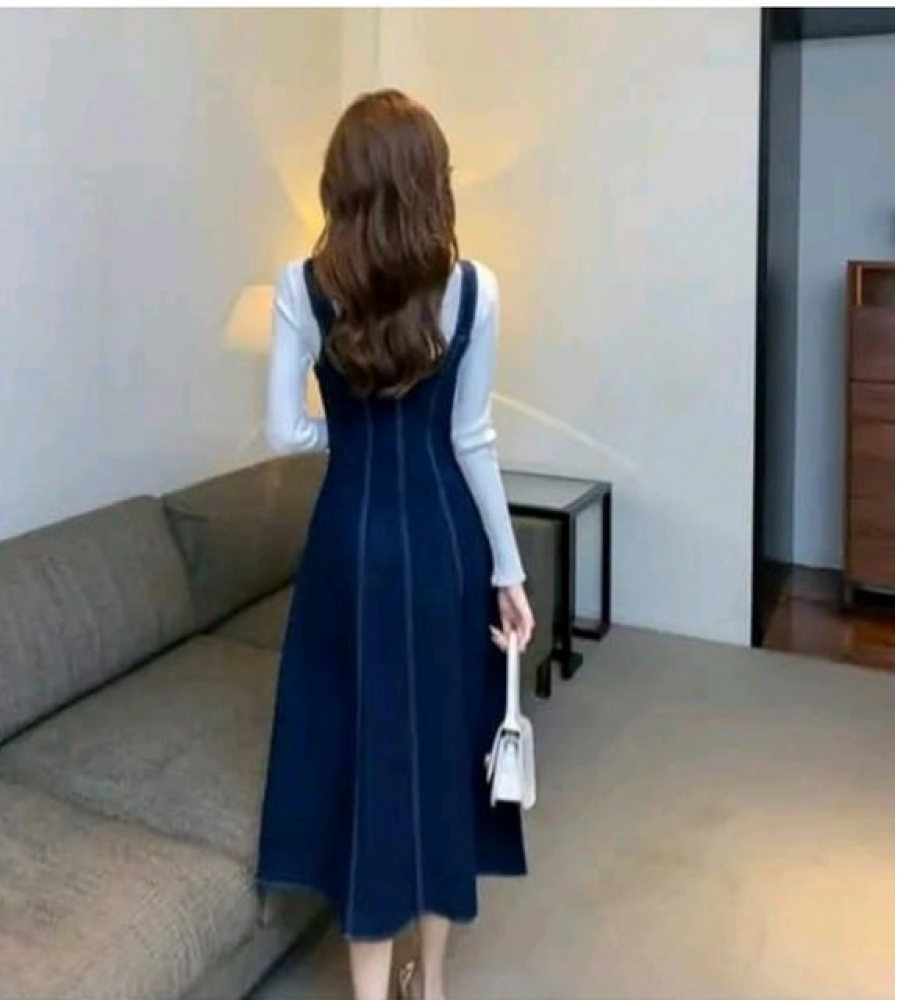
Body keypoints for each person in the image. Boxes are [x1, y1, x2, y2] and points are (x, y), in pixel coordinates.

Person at [256, 89, 535, 1000]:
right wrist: (508, 569)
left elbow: (282, 431)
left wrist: (346, 438)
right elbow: (471, 439)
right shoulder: (475, 290)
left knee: (366, 760)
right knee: (442, 754)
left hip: (350, 542)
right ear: (430, 184)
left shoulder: (301, 287)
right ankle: (433, 981)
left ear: (340, 183)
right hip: (445, 542)